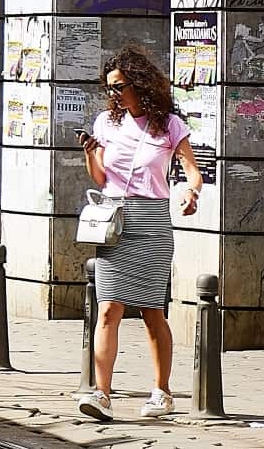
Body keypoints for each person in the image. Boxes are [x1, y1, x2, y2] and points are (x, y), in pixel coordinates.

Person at [77, 43, 207, 422]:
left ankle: (162, 391)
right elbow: (101, 177)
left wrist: (191, 192)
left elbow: (192, 171)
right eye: (110, 88)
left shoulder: (169, 124)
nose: (114, 94)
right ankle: (101, 393)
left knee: (152, 312)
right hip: (114, 221)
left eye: (119, 86)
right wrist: (89, 153)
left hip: (151, 223)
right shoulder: (106, 123)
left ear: (139, 83)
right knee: (108, 310)